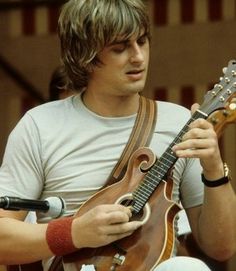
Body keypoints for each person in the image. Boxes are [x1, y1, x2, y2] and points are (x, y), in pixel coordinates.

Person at [0, 1, 235, 271]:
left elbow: (222, 247)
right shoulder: (38, 126)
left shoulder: (179, 122)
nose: (138, 57)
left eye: (142, 41)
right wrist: (74, 233)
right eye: (120, 48)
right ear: (85, 55)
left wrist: (214, 167)